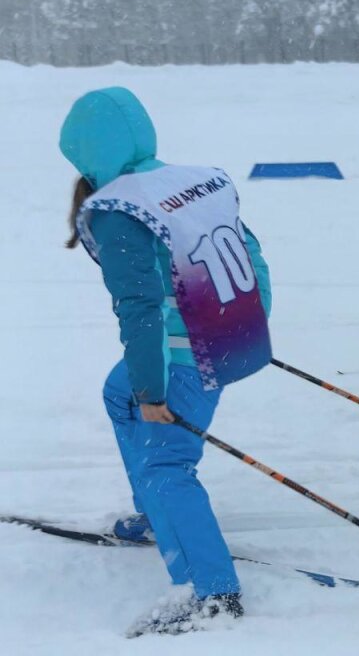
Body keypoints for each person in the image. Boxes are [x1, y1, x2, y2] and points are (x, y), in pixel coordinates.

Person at [60, 87, 273, 635]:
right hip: (226, 333)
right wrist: (250, 324)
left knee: (167, 467)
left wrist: (153, 393)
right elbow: (252, 254)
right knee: (118, 392)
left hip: (185, 353)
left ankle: (214, 595)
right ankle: (158, 519)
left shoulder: (116, 210)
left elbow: (141, 310)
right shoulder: (188, 178)